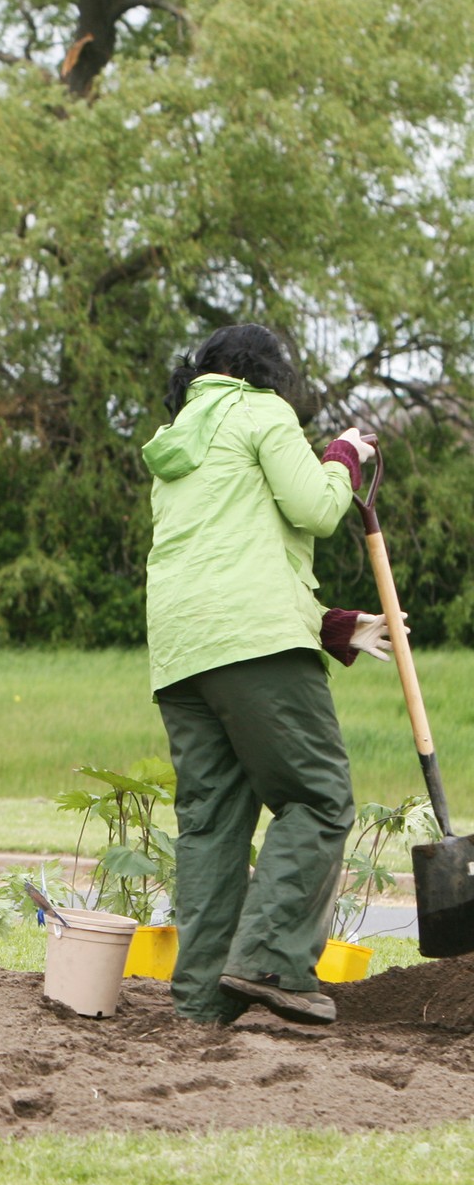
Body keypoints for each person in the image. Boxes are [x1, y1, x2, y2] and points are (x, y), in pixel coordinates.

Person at [143, 323, 397, 1025]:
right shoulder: (262, 412)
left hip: (181, 655)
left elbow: (228, 561)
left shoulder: (179, 443)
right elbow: (315, 509)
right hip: (256, 650)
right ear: (266, 372)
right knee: (316, 798)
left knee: (212, 826)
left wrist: (331, 625)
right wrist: (342, 454)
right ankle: (269, 962)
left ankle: (201, 1005)